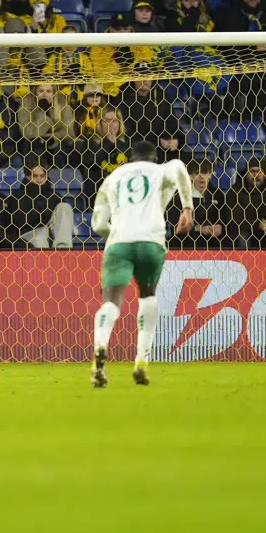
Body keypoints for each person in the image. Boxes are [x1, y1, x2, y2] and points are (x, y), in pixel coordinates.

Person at [90, 139, 194, 388]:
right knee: (147, 296)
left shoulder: (113, 178)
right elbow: (179, 166)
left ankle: (100, 353)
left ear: (131, 159)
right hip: (150, 242)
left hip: (119, 243)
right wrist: (187, 208)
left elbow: (98, 224)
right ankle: (141, 361)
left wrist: (116, 234)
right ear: (154, 158)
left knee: (111, 302)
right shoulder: (159, 171)